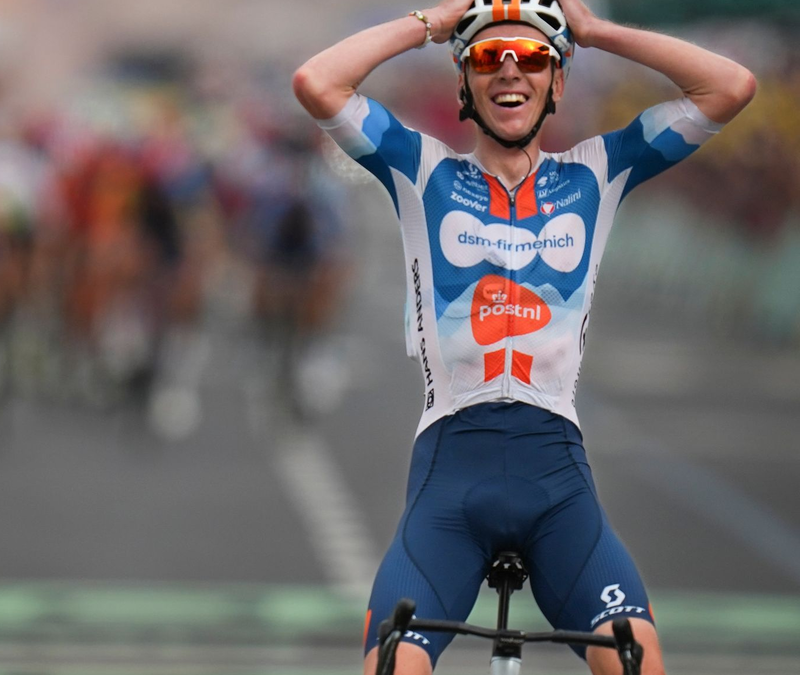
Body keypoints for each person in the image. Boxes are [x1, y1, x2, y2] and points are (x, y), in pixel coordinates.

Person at [292, 1, 755, 674]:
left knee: (636, 662)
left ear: (557, 82)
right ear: (465, 83)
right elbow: (317, 82)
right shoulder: (424, 173)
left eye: (533, 57)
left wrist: (596, 33)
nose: (510, 69)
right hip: (450, 483)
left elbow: (731, 87)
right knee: (393, 665)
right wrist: (433, 24)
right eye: (487, 58)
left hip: (557, 484)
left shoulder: (600, 172)